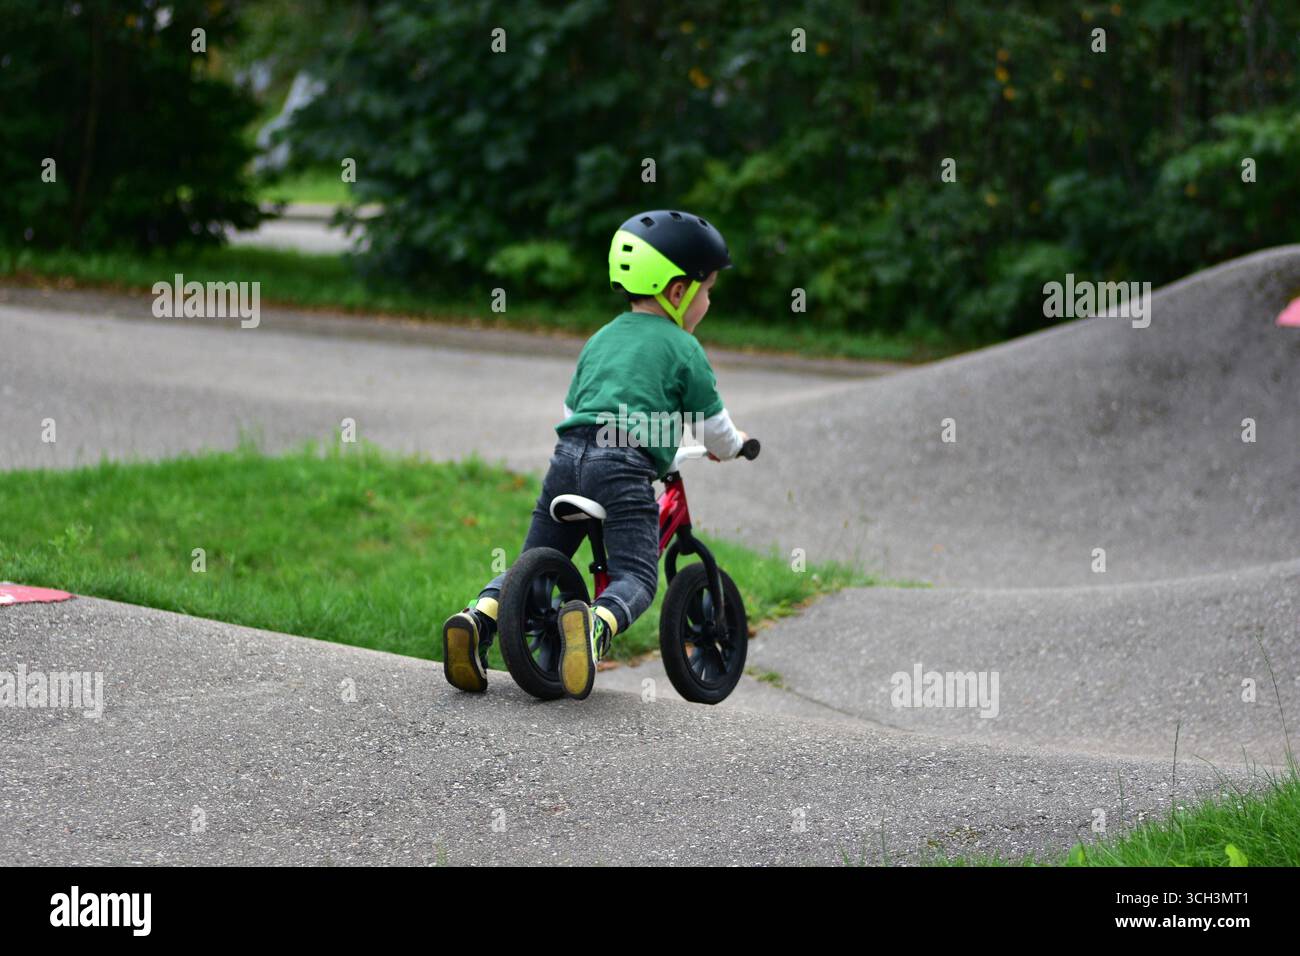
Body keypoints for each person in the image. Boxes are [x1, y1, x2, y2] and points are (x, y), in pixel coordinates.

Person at [441, 209, 749, 699]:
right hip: (623, 466)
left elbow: (574, 407)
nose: (708, 301)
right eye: (707, 290)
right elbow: (714, 425)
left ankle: (478, 617)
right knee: (638, 575)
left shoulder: (600, 339)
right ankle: (594, 628)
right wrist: (733, 448)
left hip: (568, 457)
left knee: (536, 561)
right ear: (677, 292)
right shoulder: (682, 347)